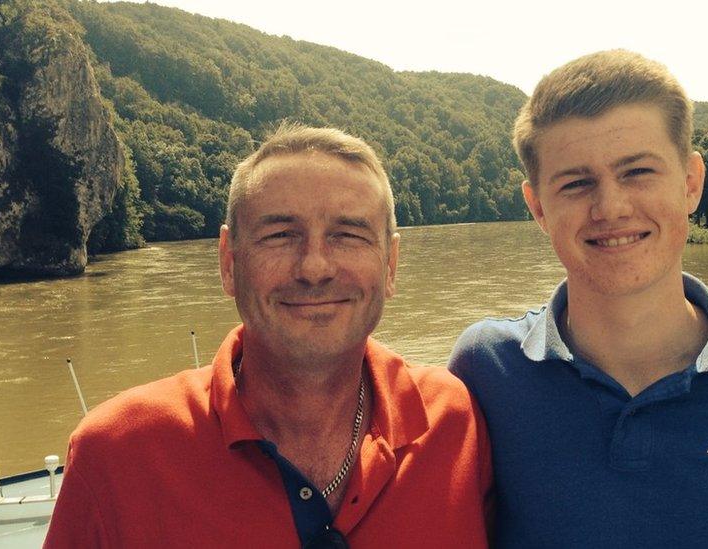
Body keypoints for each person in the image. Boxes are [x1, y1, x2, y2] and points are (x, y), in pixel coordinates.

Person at [449, 50, 708, 548]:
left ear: (691, 184)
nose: (610, 206)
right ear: (539, 207)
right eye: (576, 182)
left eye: (638, 172)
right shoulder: (486, 370)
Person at [45, 125, 492, 548]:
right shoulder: (118, 454)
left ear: (390, 264)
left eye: (348, 235)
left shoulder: (452, 422)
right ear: (228, 262)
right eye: (280, 235)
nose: (314, 267)